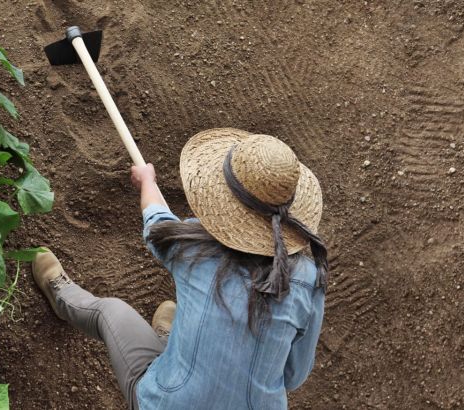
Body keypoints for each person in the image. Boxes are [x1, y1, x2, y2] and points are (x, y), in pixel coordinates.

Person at [31, 128, 329, 409]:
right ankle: (167, 340)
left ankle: (61, 294)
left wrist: (147, 182)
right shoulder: (308, 279)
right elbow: (293, 376)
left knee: (110, 311)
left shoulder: (194, 251)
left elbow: (156, 223)